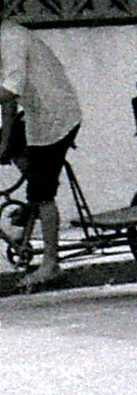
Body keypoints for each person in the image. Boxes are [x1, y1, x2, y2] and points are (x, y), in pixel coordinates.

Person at [0, 15, 82, 288]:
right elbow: (8, 100)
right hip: (38, 116)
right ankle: (33, 206)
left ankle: (51, 264)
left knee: (42, 191)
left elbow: (8, 94)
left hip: (56, 117)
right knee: (13, 149)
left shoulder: (11, 38)